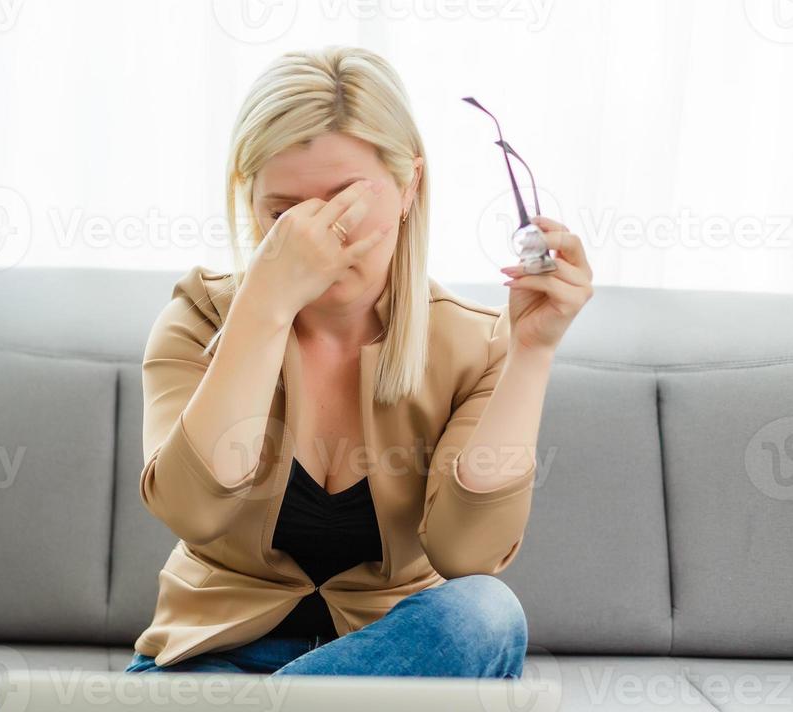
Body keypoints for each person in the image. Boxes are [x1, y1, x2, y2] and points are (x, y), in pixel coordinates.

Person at [128, 48, 593, 677]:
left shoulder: (473, 343)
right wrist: (265, 307)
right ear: (250, 202)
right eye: (284, 213)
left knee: (486, 613)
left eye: (346, 201)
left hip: (384, 674)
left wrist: (531, 354)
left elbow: (467, 553)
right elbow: (193, 510)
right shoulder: (201, 317)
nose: (323, 236)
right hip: (213, 664)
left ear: (409, 189)